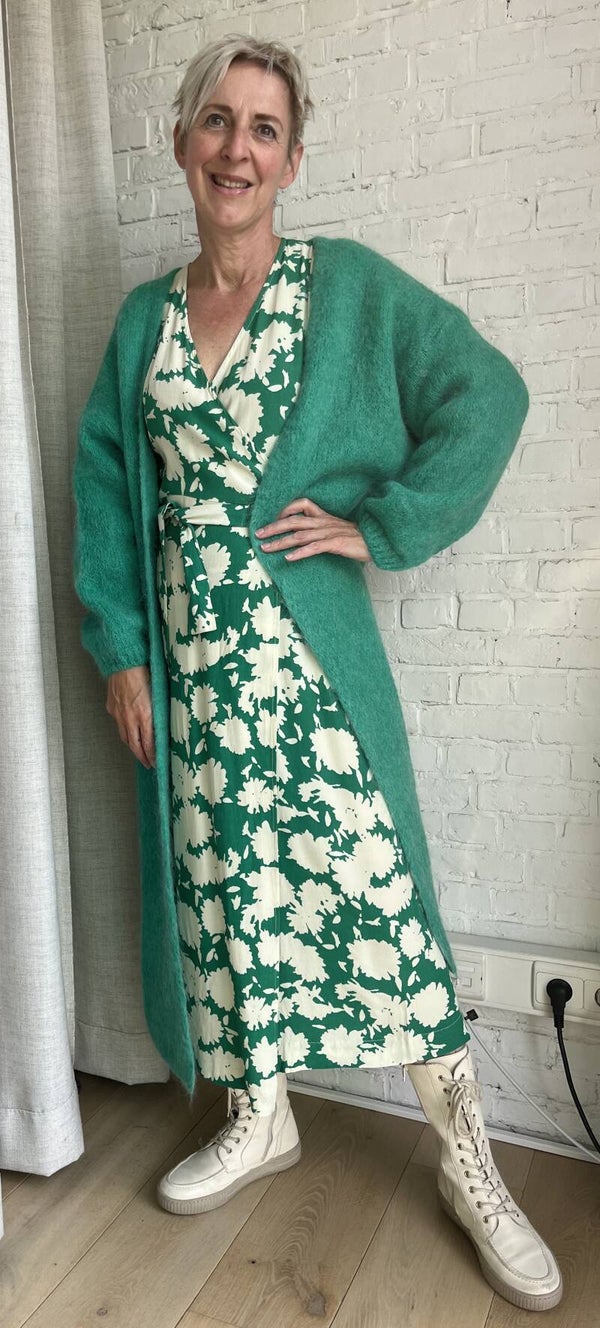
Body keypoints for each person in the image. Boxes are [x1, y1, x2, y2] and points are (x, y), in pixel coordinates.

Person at [72, 33, 561, 1313]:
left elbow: (488, 393)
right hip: (193, 684)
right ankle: (262, 1111)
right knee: (227, 904)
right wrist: (121, 653)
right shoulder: (142, 323)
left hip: (311, 679)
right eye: (217, 122)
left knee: (384, 912)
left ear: (292, 159)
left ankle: (468, 1158)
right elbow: (108, 499)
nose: (237, 149)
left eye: (265, 129)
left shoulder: (342, 288)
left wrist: (378, 525)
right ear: (183, 142)